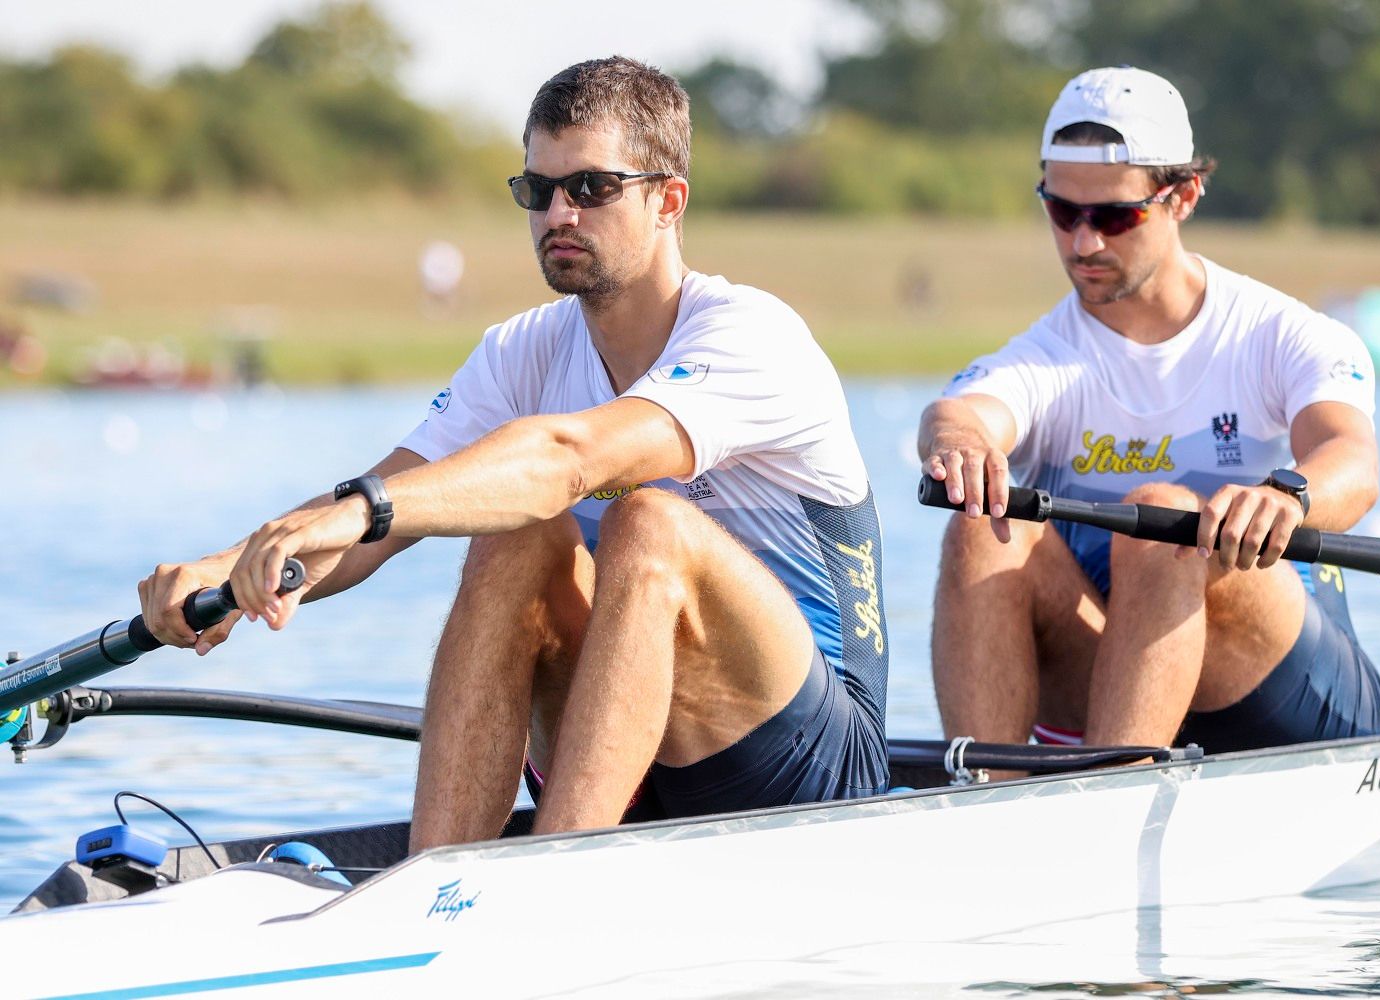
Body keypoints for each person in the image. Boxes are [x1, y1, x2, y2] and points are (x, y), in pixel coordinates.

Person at [140, 57, 890, 848]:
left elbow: (567, 458)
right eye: (538, 190)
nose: (559, 213)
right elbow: (378, 515)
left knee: (649, 522)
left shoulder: (752, 335)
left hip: (811, 764)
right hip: (633, 744)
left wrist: (367, 509)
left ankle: (550, 883)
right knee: (517, 534)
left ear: (669, 200)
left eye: (591, 188)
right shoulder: (518, 352)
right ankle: (441, 886)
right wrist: (225, 568)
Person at [918, 66, 1380, 758]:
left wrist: (1287, 495)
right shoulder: (1047, 357)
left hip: (1293, 694)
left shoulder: (1282, 336)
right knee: (984, 525)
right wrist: (960, 443)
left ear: (1184, 196)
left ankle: (1113, 793)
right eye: (1061, 211)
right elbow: (959, 413)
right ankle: (989, 799)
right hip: (1114, 685)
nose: (1083, 243)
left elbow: (1352, 458)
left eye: (1112, 216)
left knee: (1162, 516)